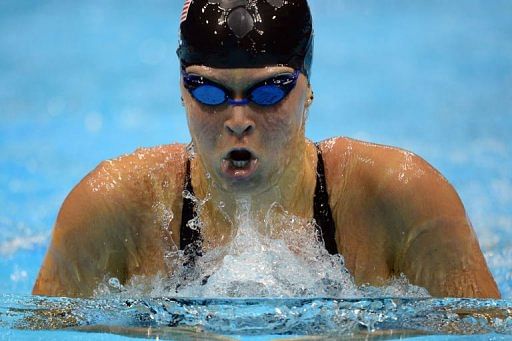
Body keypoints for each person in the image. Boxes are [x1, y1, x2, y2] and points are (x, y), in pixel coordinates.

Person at [33, 0, 500, 298]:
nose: (238, 120)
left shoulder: (402, 197)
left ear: (308, 86)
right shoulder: (109, 209)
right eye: (209, 92)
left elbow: (482, 331)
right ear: (180, 89)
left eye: (269, 91)